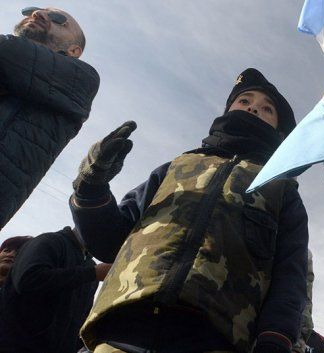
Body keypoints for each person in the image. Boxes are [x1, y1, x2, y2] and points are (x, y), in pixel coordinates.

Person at [70, 68, 309, 353]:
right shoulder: (176, 167)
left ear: (278, 131)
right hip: (123, 326)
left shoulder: (280, 189)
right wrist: (92, 185)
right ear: (229, 108)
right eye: (244, 100)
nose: (254, 106)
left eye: (267, 108)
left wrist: (275, 340)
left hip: (213, 338)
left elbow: (290, 276)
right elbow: (109, 244)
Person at [0, 7, 99, 228]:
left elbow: (9, 52)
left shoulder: (82, 79)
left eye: (57, 19)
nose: (37, 14)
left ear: (74, 50)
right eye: (33, 11)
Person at [0, 227, 110, 353]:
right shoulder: (50, 241)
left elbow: (81, 317)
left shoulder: (91, 268)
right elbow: (29, 279)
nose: (12, 255)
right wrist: (92, 273)